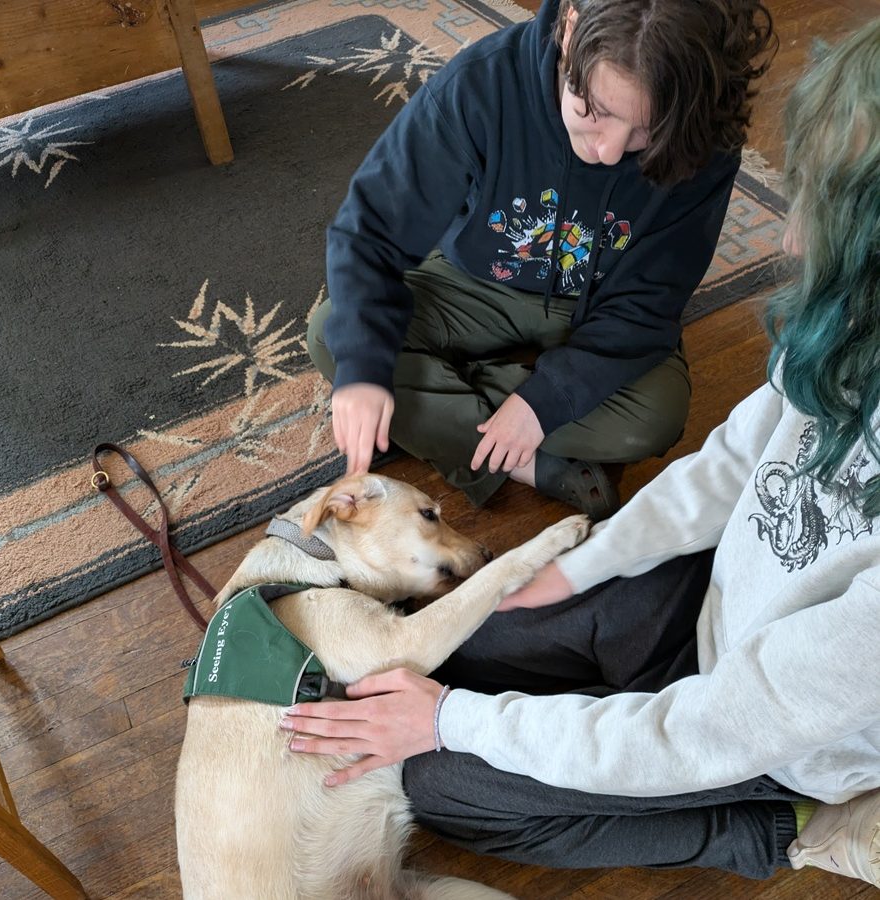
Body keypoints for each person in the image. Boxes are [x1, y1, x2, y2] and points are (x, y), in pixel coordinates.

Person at [282, 19, 880, 886]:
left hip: (773, 737)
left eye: (826, 220)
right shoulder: (850, 322)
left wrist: (455, 724)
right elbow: (739, 457)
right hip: (717, 602)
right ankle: (523, 481)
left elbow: (707, 729)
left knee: (437, 783)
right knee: (441, 643)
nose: (787, 241)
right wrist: (589, 563)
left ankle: (790, 830)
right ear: (567, 34)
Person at [307, 0, 776, 520]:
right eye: (594, 111)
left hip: (600, 310)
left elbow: (648, 303)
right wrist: (365, 375)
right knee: (335, 335)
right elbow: (370, 232)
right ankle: (529, 464)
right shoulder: (478, 87)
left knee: (655, 417)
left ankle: (450, 409)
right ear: (570, 29)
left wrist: (540, 404)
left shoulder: (705, 129)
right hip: (474, 282)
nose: (609, 151)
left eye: (645, 132)